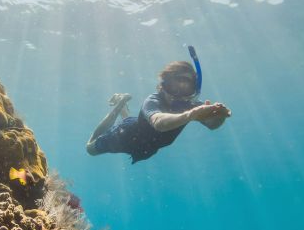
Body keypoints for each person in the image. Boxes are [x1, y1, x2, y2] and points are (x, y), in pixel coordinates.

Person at [86, 61, 231, 163]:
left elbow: (212, 124)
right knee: (90, 149)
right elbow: (159, 123)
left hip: (146, 146)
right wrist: (189, 115)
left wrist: (219, 116)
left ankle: (122, 103)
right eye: (174, 85)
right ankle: (119, 106)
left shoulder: (191, 106)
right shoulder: (153, 100)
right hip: (124, 137)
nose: (178, 93)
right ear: (163, 86)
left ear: (193, 89)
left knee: (130, 120)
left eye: (186, 86)